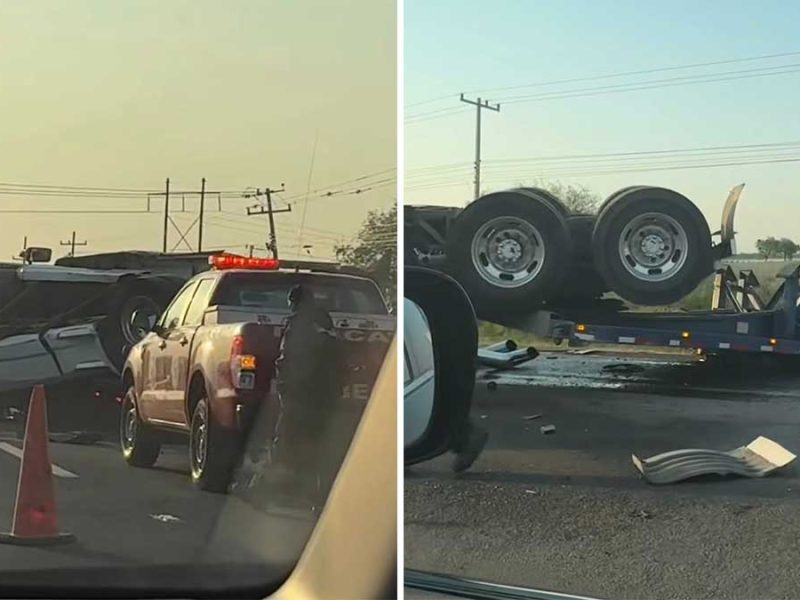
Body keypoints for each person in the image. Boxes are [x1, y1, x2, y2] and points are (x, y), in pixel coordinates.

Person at [273, 284, 339, 505]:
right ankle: (320, 495)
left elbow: (288, 357)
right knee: (320, 444)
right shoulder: (324, 321)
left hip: (300, 391)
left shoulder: (297, 323)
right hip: (326, 392)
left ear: (296, 302)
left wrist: (283, 385)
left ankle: (270, 488)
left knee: (285, 439)